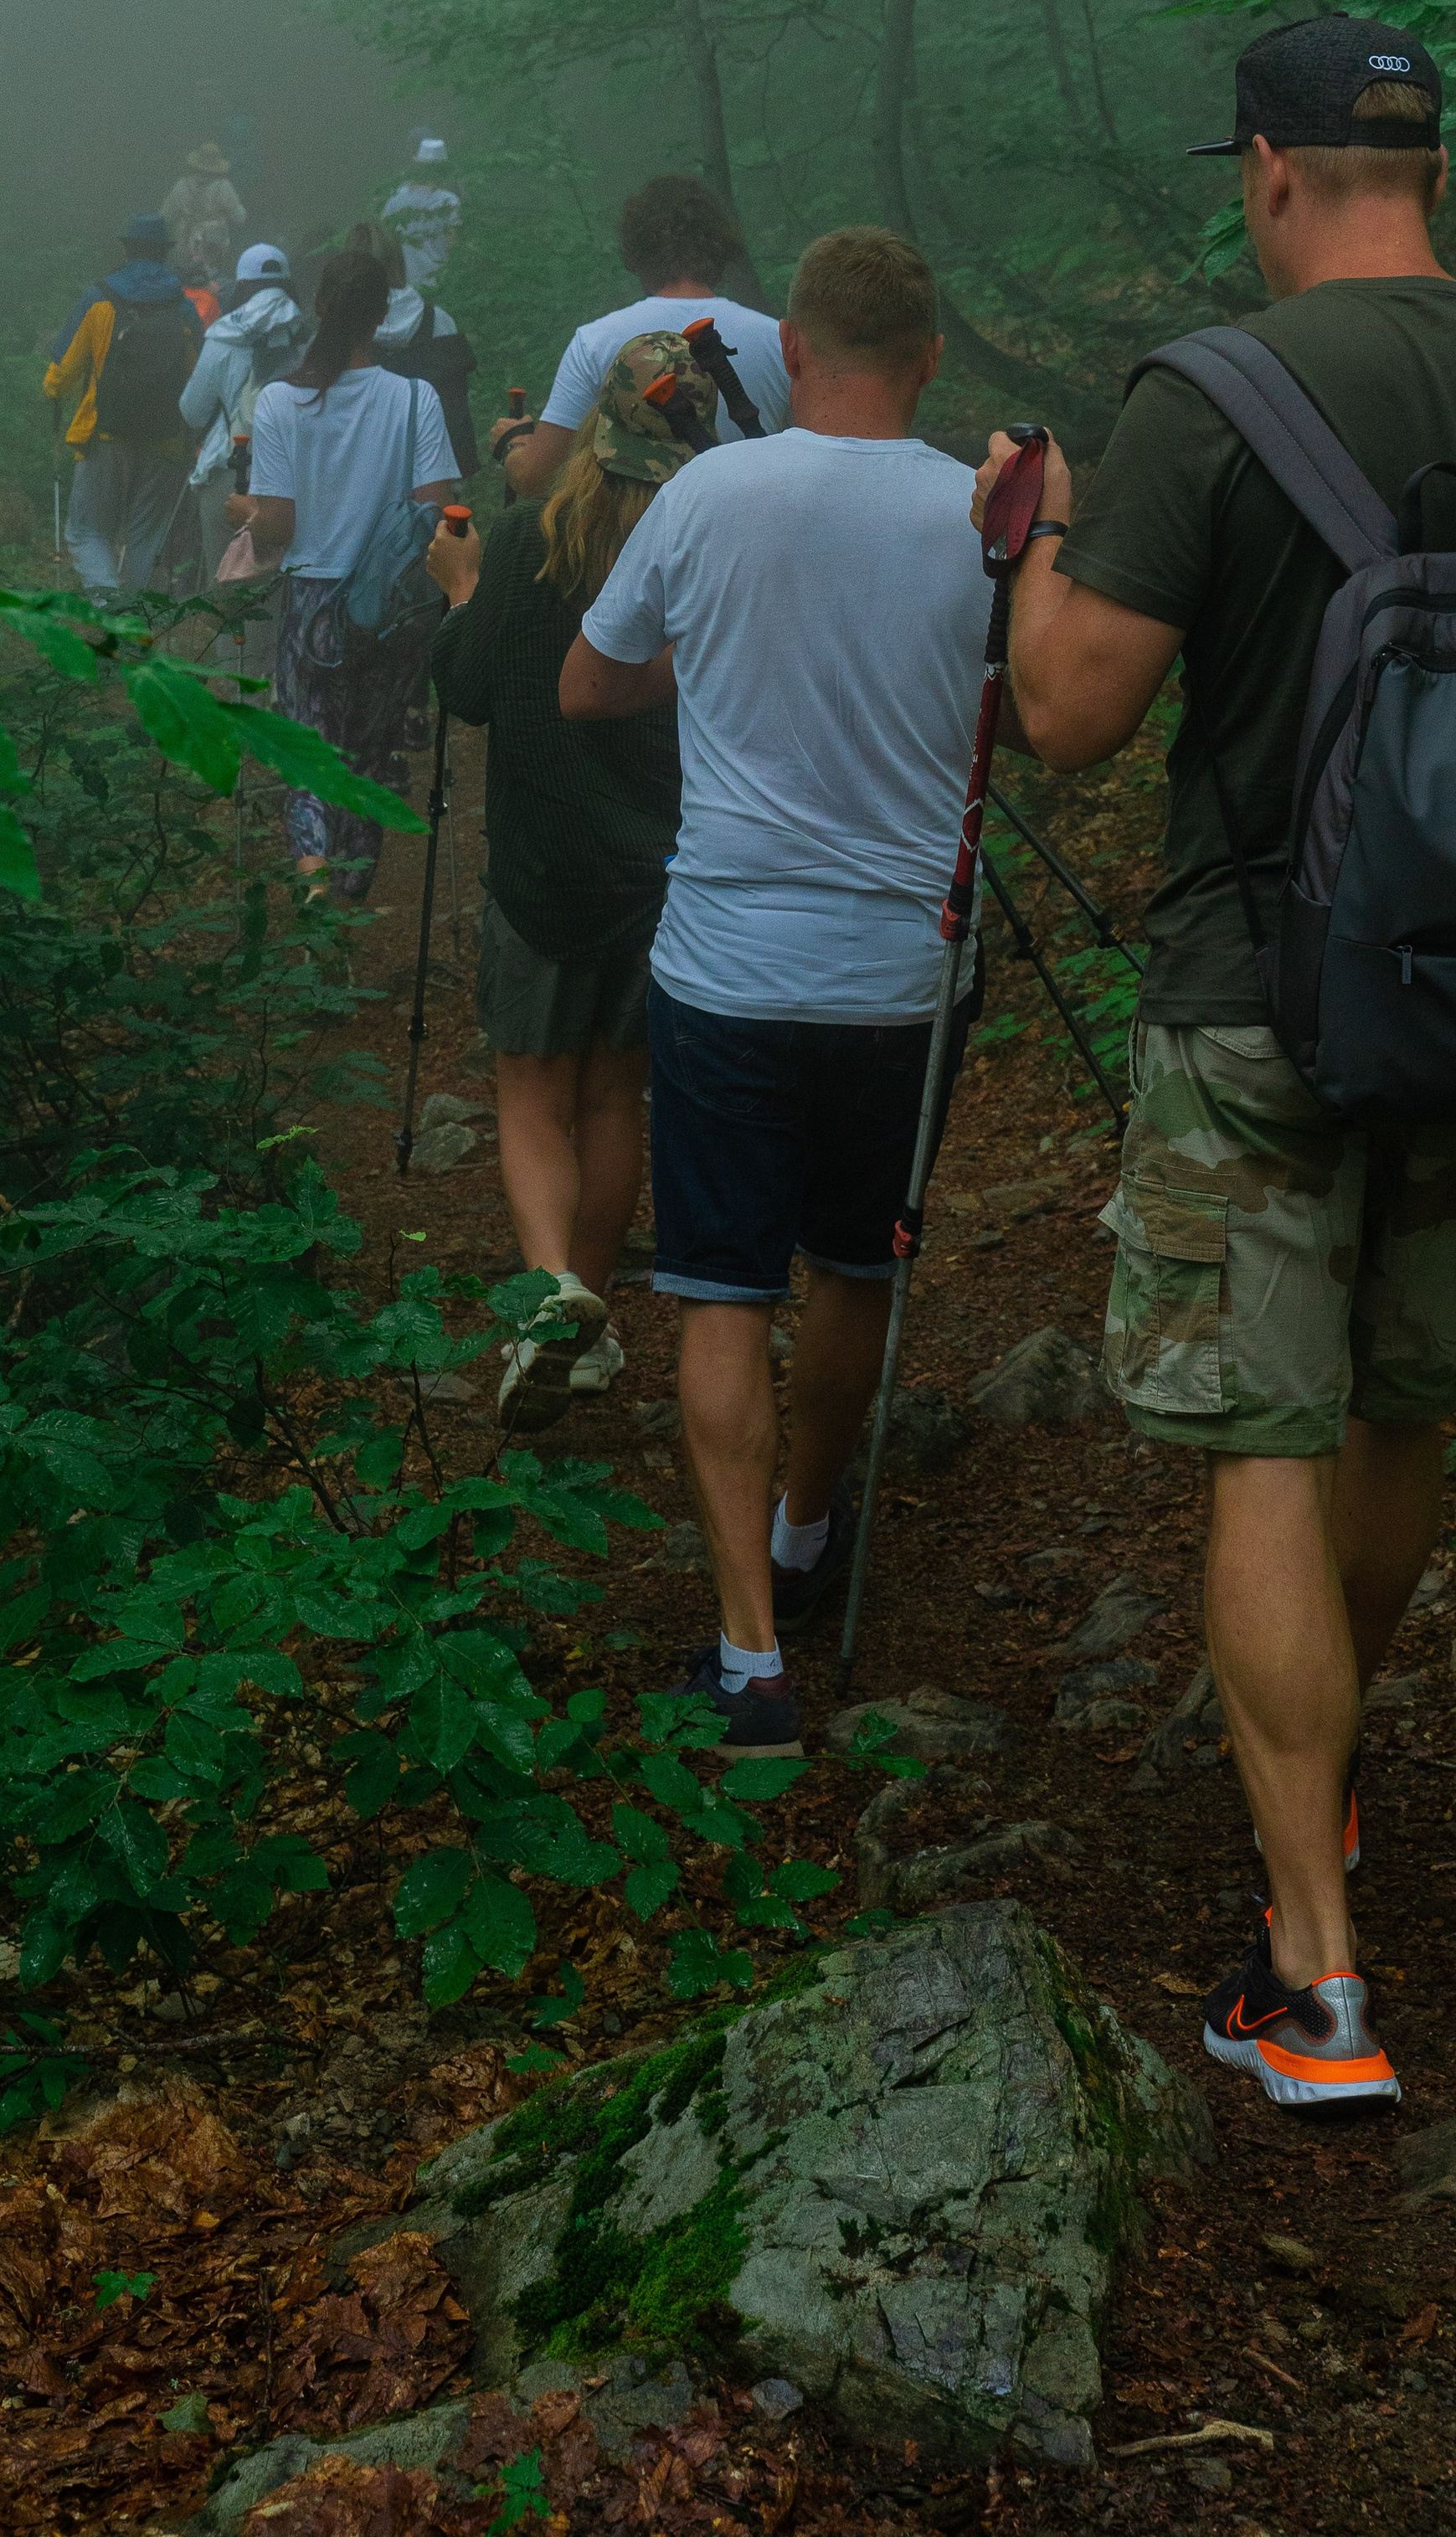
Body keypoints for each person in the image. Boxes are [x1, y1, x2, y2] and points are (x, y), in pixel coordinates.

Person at [976, 10, 1456, 2112]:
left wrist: (1027, 543)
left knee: (1258, 1439)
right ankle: (1328, 1765)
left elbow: (1067, 717)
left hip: (1250, 994)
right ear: (1430, 170)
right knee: (1395, 1399)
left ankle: (1313, 1976)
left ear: (1271, 173)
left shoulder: (1205, 399)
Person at [559, 227, 993, 1761]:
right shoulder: (977, 514)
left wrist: (719, 661)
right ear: (929, 358)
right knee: (855, 1267)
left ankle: (750, 1660)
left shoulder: (704, 493)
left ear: (795, 349)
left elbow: (588, 683)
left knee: (723, 1290)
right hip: (905, 973)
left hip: (731, 965)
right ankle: (810, 1532)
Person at [426, 337, 697, 1428]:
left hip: (538, 870)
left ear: (592, 428)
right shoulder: (699, 545)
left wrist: (460, 591)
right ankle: (590, 1327)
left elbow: (469, 690)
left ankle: (553, 1299)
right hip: (654, 871)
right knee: (612, 1094)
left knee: (532, 1093)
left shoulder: (526, 539)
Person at [229, 246, 458, 899]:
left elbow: (276, 525)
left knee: (310, 754)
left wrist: (241, 511)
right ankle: (349, 912)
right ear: (383, 313)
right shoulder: (417, 401)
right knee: (368, 761)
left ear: (319, 307)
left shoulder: (280, 403)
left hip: (311, 605)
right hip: (388, 608)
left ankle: (312, 876)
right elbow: (437, 510)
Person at [493, 174, 788, 500]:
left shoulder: (596, 342)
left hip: (630, 544)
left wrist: (515, 442)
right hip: (750, 539)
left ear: (639, 250)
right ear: (719, 246)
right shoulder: (778, 340)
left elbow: (538, 479)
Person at [44, 215, 204, 600]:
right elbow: (199, 378)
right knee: (145, 540)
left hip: (104, 436)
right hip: (166, 441)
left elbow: (60, 375)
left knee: (87, 532)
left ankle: (107, 609)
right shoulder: (182, 308)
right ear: (165, 253)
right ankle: (134, 625)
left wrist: (53, 399)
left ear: (127, 248)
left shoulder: (100, 299)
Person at [182, 241, 306, 578]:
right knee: (280, 587)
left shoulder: (223, 337)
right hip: (294, 477)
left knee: (226, 586)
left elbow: (192, 412)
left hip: (230, 469)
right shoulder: (306, 334)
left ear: (242, 286)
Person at [350, 219, 479, 482]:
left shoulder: (342, 327)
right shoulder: (438, 320)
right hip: (430, 469)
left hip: (364, 470)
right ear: (398, 260)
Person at [382, 133, 461, 290]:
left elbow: (387, 241)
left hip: (406, 286)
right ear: (442, 170)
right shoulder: (449, 201)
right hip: (439, 284)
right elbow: (453, 243)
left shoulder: (396, 198)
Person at [162, 143, 248, 283]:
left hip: (184, 240)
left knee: (183, 280)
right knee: (212, 280)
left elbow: (165, 216)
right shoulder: (223, 186)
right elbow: (240, 218)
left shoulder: (181, 184)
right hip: (213, 243)